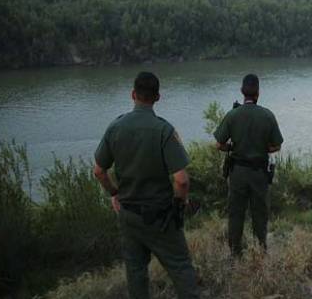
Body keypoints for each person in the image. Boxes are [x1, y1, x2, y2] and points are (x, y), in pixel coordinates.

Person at [93, 72, 198, 299]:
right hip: (161, 216)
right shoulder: (164, 130)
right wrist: (179, 205)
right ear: (158, 97)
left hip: (129, 215)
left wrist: (115, 193)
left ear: (133, 94)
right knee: (181, 267)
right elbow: (181, 180)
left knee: (136, 271)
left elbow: (99, 171)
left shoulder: (115, 127)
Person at [214, 74, 284, 256]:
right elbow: (276, 145)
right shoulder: (267, 115)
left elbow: (219, 144)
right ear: (258, 93)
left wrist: (232, 147)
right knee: (260, 214)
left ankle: (235, 253)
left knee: (236, 214)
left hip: (237, 173)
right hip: (259, 173)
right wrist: (262, 148)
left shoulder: (232, 115)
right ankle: (260, 251)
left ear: (242, 92)